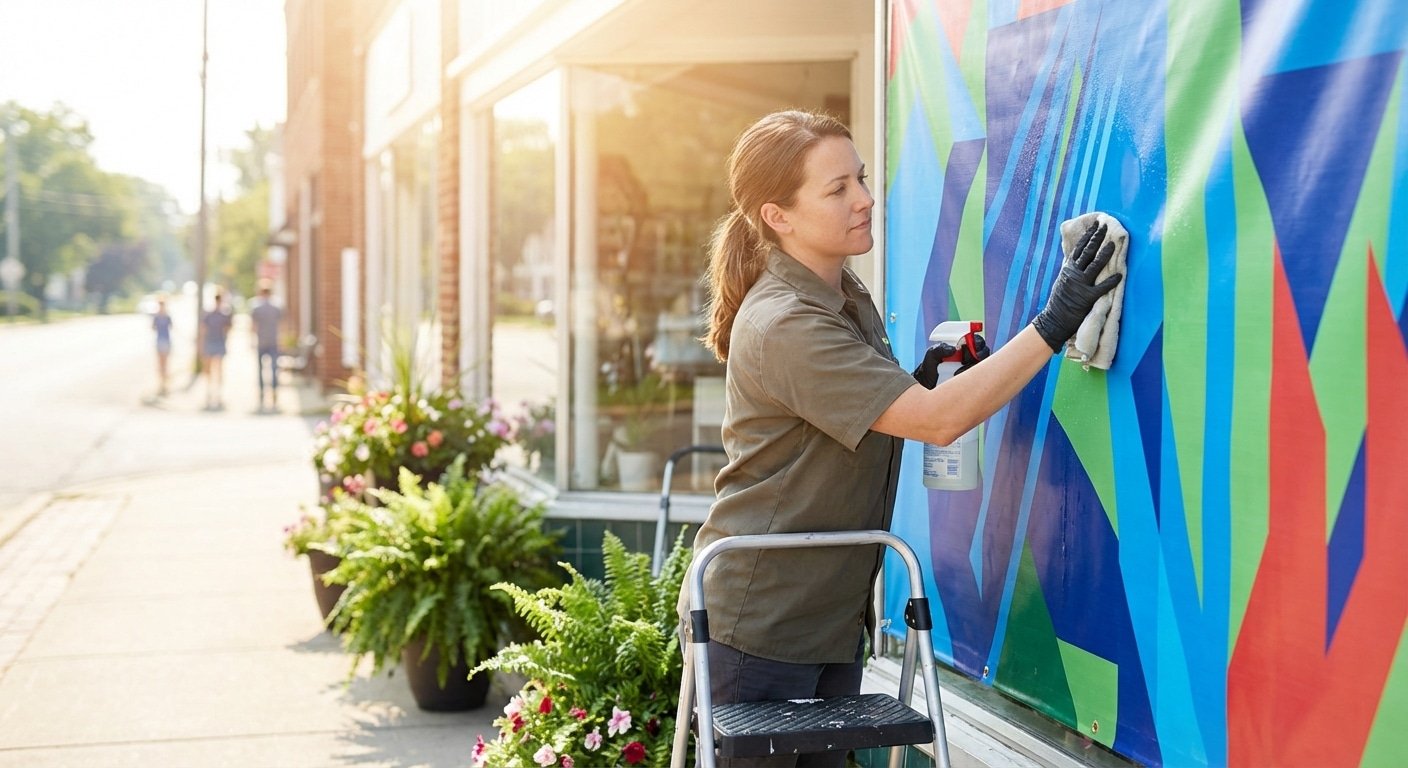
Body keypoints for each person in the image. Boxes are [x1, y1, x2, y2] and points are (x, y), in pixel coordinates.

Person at [687, 110, 1120, 767]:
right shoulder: (786, 322)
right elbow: (937, 420)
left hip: (824, 619)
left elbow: (879, 413)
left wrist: (920, 380)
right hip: (762, 628)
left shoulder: (843, 291)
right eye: (837, 189)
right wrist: (1055, 322)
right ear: (778, 216)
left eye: (860, 178)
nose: (864, 199)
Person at [249, 281, 283, 411]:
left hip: (261, 342)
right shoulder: (277, 306)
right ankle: (274, 396)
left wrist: (252, 340)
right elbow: (282, 325)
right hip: (273, 342)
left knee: (261, 370)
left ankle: (262, 396)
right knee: (274, 370)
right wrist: (281, 340)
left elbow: (253, 326)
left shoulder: (256, 306)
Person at [201, 289, 233, 410]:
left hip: (219, 343)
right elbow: (203, 330)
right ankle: (209, 390)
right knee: (209, 369)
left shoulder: (224, 314)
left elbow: (228, 329)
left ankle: (218, 392)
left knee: (219, 369)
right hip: (210, 342)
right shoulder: (209, 314)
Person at [151, 295, 173, 396]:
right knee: (160, 364)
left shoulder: (166, 316)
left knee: (165, 364)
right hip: (160, 341)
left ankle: (165, 384)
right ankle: (161, 384)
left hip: (166, 341)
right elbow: (153, 328)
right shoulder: (157, 317)